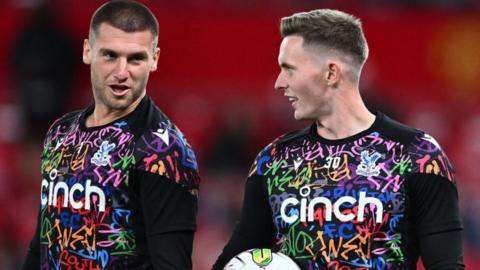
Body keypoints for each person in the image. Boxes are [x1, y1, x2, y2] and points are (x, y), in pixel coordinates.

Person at [213, 9, 464, 270]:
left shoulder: (417, 155)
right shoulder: (274, 160)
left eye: (289, 69)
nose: (279, 83)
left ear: (331, 73)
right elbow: (234, 259)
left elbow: (446, 265)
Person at [22, 1, 200, 269]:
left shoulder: (162, 151)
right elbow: (43, 245)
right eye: (110, 55)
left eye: (135, 58)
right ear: (87, 51)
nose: (121, 72)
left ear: (155, 60)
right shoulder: (59, 133)